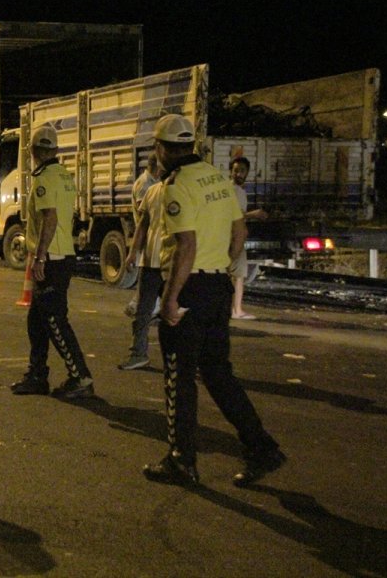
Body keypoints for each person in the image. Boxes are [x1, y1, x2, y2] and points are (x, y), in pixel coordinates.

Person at [142, 114, 286, 487]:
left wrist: (171, 298)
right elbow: (240, 229)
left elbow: (185, 246)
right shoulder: (218, 179)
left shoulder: (177, 186)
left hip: (190, 290)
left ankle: (181, 460)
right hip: (218, 286)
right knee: (218, 374)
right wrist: (222, 263)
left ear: (161, 149)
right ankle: (262, 447)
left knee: (179, 377)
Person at [10, 124, 94, 399]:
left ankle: (80, 377)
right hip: (62, 253)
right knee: (37, 321)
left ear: (33, 151)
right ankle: (37, 375)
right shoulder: (64, 175)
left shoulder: (44, 178)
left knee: (55, 320)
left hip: (52, 257)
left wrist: (40, 256)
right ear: (56, 150)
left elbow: (50, 218)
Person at [119, 157, 165, 370]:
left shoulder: (168, 191)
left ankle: (142, 353)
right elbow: (142, 226)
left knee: (155, 312)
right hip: (154, 260)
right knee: (144, 312)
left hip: (165, 262)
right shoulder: (152, 191)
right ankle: (138, 353)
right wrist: (132, 254)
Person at [229, 157, 268, 320]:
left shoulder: (239, 190)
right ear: (230, 171)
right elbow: (234, 214)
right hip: (234, 236)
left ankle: (235, 309)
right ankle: (236, 310)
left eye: (242, 171)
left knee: (236, 274)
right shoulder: (234, 190)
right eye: (236, 170)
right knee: (238, 274)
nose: (239, 174)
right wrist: (255, 214)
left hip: (234, 235)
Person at [124, 153, 161, 318]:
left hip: (151, 235)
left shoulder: (153, 183)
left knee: (149, 276)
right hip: (148, 236)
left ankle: (137, 305)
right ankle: (143, 308)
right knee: (149, 274)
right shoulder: (144, 184)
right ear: (157, 167)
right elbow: (144, 215)